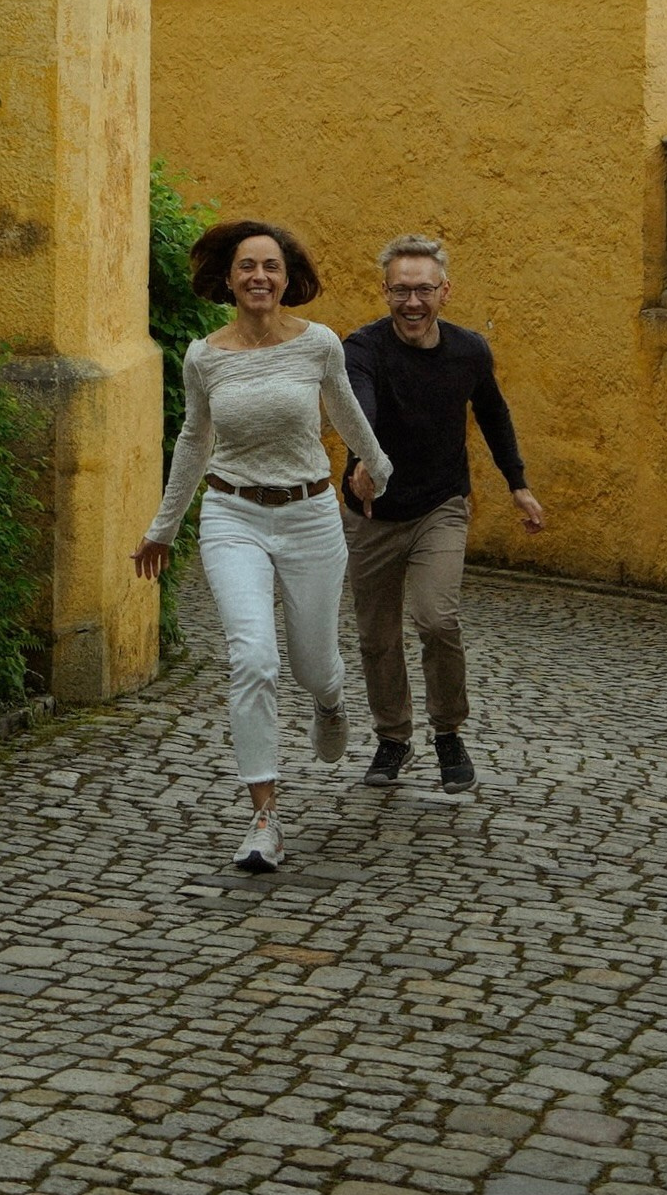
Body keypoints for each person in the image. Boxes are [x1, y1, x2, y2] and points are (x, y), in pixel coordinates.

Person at [134, 219, 393, 873]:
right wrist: (162, 528)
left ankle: (330, 701)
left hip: (308, 516)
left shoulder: (318, 346)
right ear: (227, 278)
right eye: (247, 266)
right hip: (233, 517)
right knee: (252, 658)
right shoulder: (204, 356)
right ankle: (263, 818)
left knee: (312, 666)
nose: (258, 277)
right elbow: (194, 442)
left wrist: (377, 471)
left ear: (286, 277)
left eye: (270, 267)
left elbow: (346, 415)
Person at [341, 235, 545, 794]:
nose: (412, 302)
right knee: (376, 636)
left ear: (444, 293)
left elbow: (494, 415)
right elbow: (360, 402)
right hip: (371, 511)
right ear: (384, 292)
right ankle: (393, 738)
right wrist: (363, 458)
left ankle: (448, 732)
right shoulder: (361, 348)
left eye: (423, 290)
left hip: (441, 506)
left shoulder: (469, 351)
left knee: (437, 619)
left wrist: (518, 485)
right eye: (401, 290)